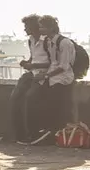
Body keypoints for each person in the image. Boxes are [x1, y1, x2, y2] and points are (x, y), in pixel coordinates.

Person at [31, 15, 77, 143]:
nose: (40, 29)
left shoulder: (65, 43)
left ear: (51, 28)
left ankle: (55, 133)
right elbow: (53, 63)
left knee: (57, 108)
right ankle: (48, 131)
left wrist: (45, 76)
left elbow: (64, 66)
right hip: (52, 79)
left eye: (42, 27)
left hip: (62, 80)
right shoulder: (50, 42)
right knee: (45, 105)